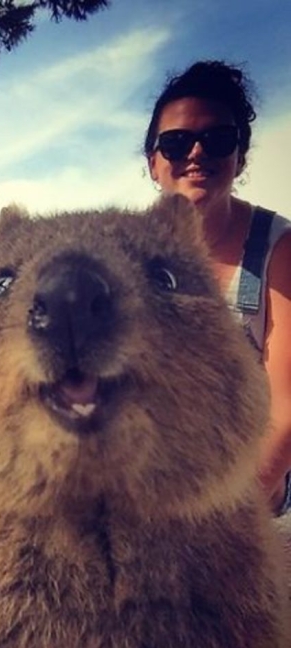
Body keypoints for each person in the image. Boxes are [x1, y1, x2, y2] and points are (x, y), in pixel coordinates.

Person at [145, 60, 291, 517]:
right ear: (153, 163)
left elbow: (284, 413)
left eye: (217, 140)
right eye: (175, 142)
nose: (195, 154)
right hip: (149, 483)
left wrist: (219, 523)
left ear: (240, 158)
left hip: (247, 500)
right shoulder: (128, 252)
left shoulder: (279, 249)